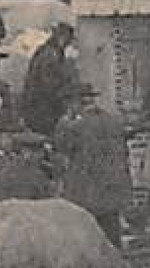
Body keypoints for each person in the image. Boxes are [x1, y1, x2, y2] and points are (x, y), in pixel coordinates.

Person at [54, 85, 132, 243]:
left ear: (76, 102)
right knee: (111, 234)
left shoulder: (73, 126)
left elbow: (62, 146)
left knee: (86, 238)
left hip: (86, 191)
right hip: (112, 188)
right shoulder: (113, 121)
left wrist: (64, 121)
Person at [21, 23, 78, 133]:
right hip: (42, 106)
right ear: (61, 37)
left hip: (40, 104)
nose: (68, 44)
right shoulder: (50, 55)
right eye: (68, 41)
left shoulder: (48, 51)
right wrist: (66, 90)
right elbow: (48, 83)